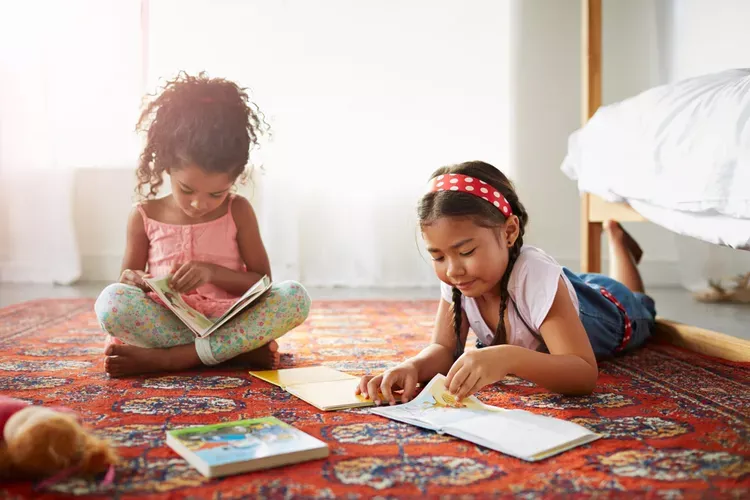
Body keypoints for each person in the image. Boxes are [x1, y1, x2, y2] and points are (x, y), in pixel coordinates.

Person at [358, 161, 656, 402]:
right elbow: (444, 348)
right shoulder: (459, 278)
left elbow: (582, 373)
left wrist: (508, 357)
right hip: (563, 290)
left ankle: (617, 240)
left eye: (466, 251)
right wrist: (413, 366)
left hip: (608, 308)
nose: (453, 270)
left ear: (509, 232)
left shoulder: (533, 274)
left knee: (641, 304)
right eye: (438, 257)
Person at [94, 72, 310, 377]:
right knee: (111, 303)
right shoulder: (144, 215)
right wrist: (136, 280)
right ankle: (233, 351)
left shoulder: (238, 210)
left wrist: (211, 273)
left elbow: (262, 283)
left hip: (227, 318)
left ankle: (173, 359)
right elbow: (125, 281)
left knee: (294, 298)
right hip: (169, 320)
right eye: (187, 189)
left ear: (235, 179)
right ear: (166, 165)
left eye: (216, 193)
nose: (199, 203)